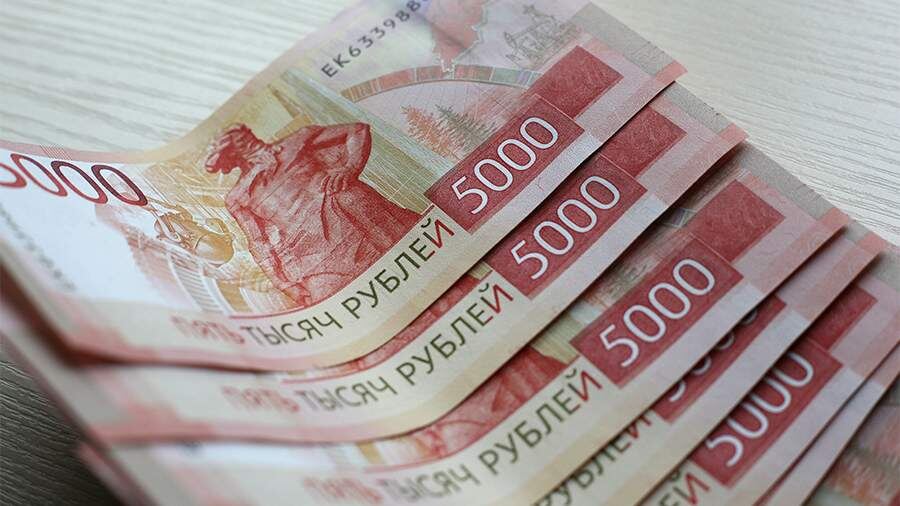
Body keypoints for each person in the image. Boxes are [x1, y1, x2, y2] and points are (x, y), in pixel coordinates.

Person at [205, 122, 420, 307]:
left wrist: (349, 168)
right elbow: (259, 242)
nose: (249, 143)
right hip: (315, 257)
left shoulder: (296, 141)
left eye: (246, 138)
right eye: (240, 144)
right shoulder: (238, 197)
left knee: (409, 267)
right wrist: (284, 284)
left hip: (353, 216)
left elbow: (357, 130)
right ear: (230, 156)